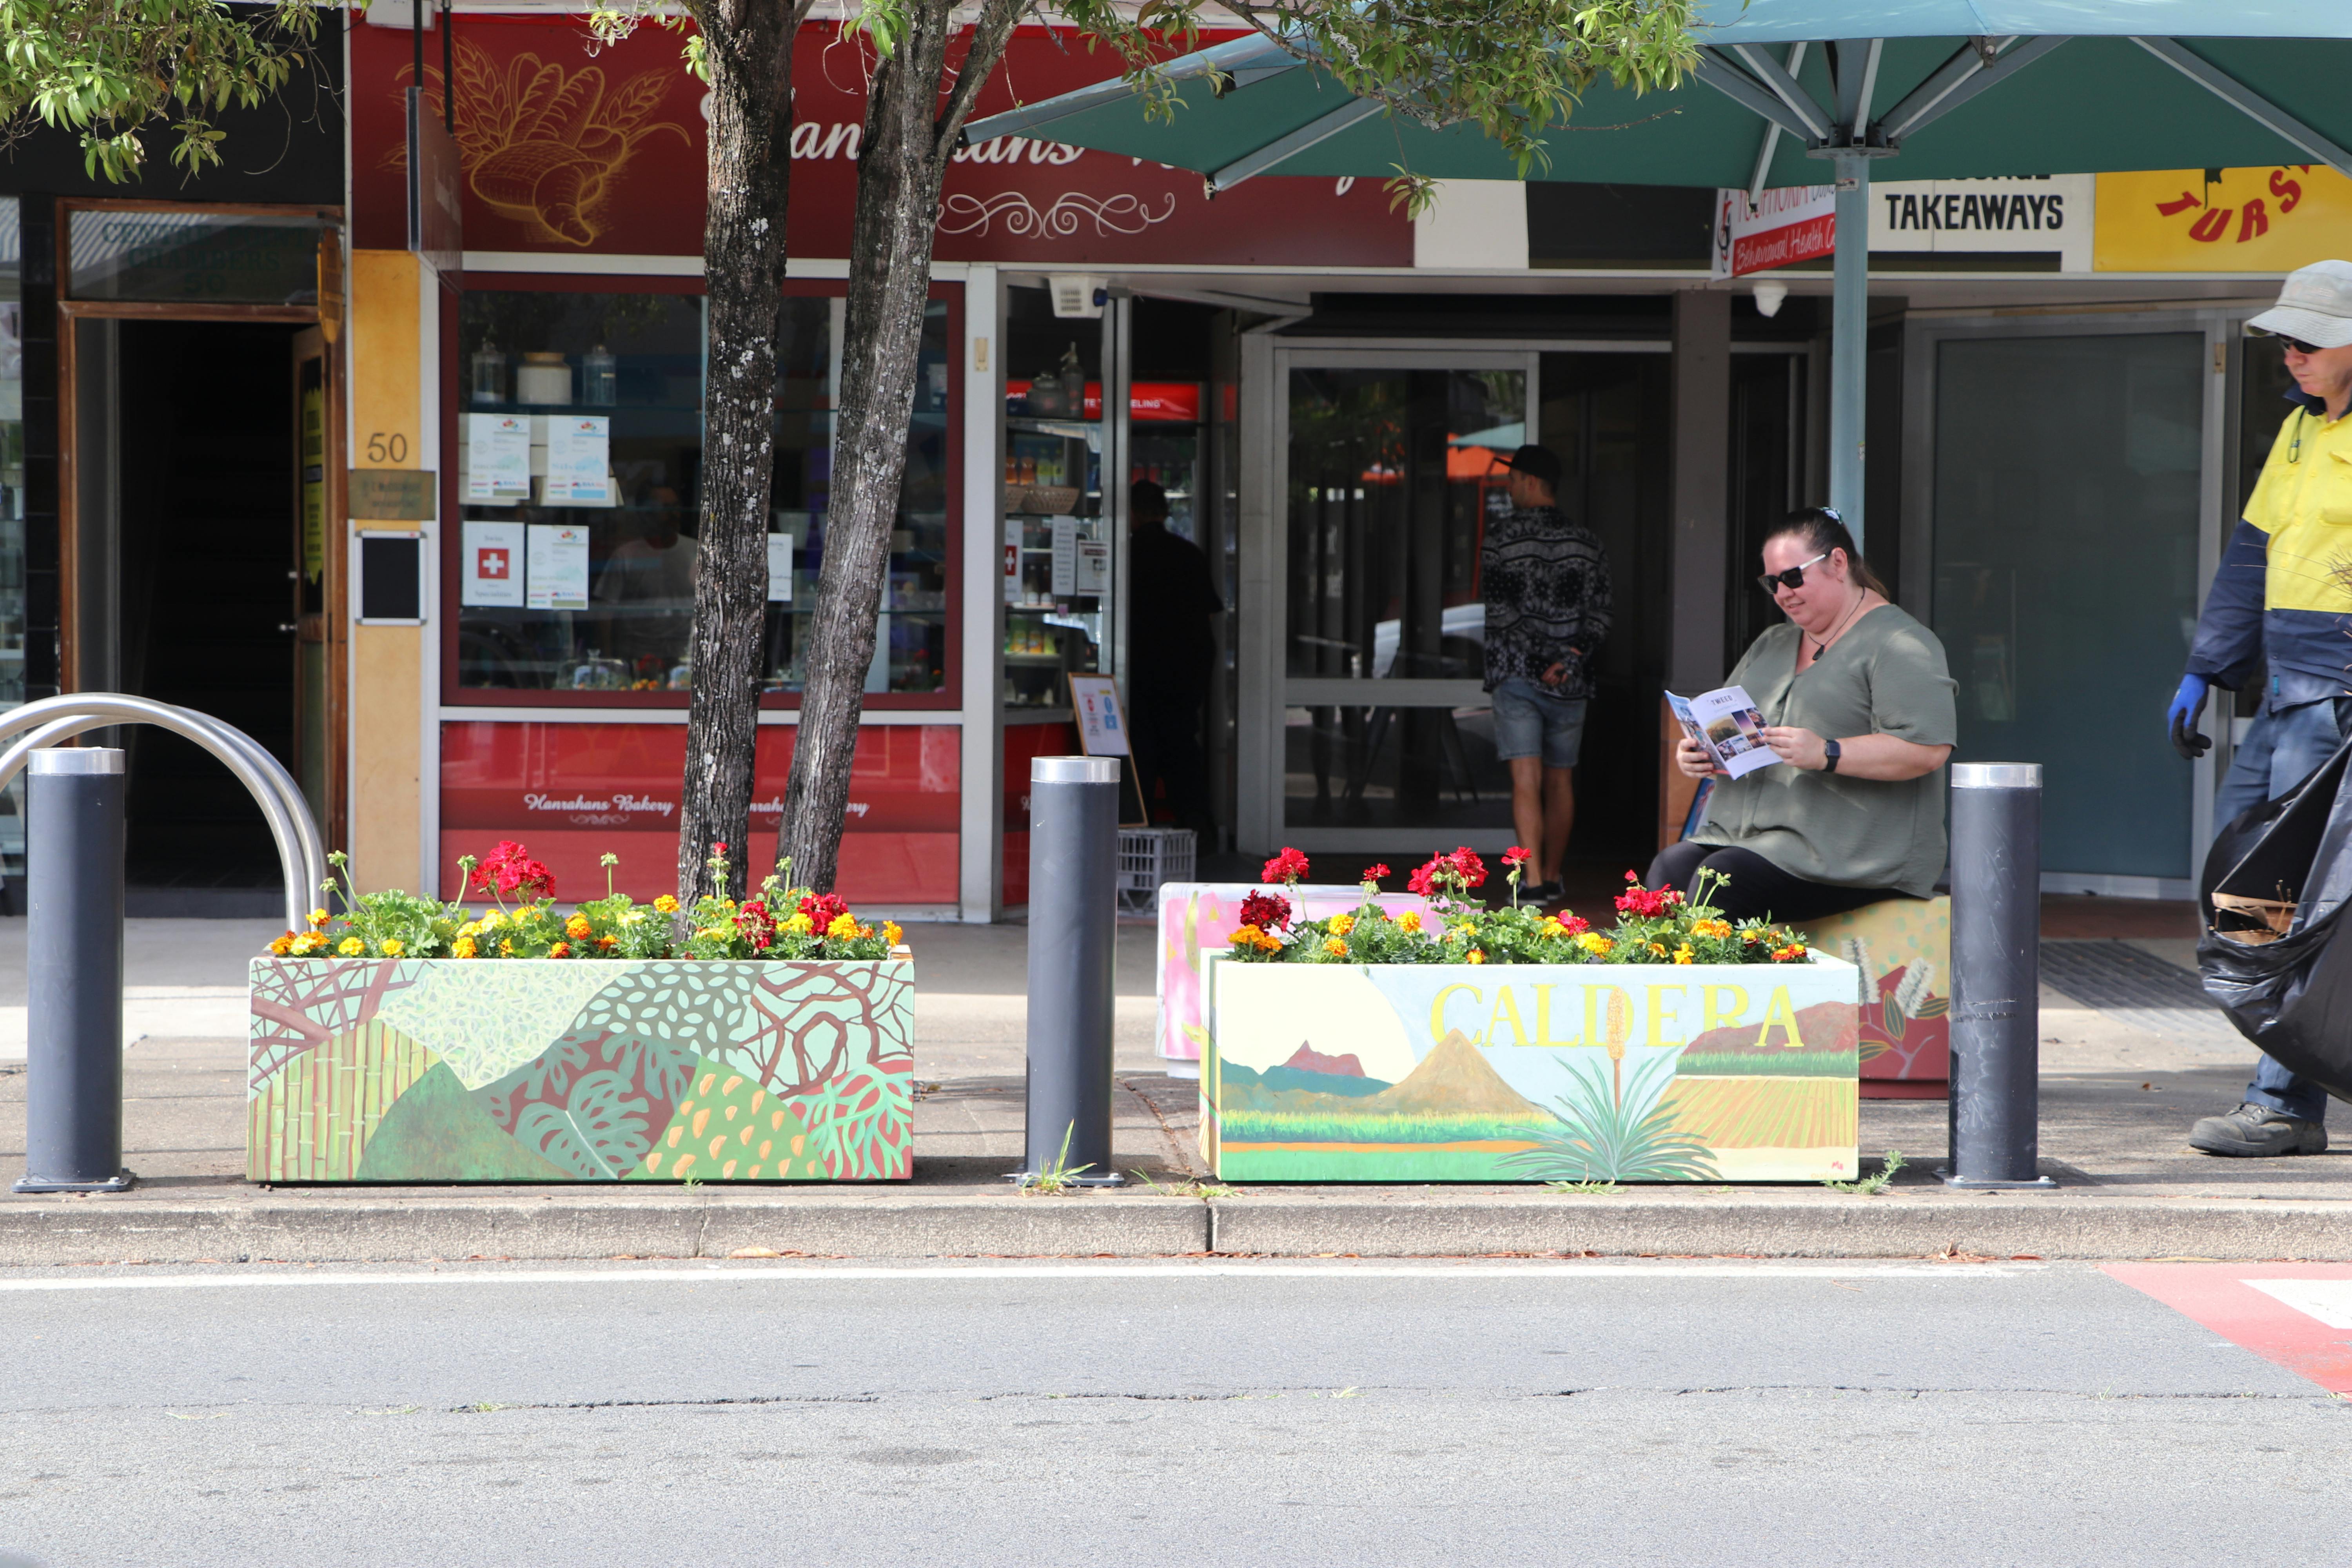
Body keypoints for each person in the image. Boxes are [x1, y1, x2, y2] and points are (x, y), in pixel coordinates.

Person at [2171, 261, 2352, 1158]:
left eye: (2311, 339)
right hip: (2285, 694)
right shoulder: (2297, 429)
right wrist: (2206, 668)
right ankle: (2283, 1081)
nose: (2292, 352)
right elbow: (2252, 555)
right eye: (2286, 338)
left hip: (2337, 699)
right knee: (2243, 887)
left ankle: (2281, 1100)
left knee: (2287, 898)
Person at [1650, 507, 1956, 923]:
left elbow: (1927, 749)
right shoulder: (1773, 641)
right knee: (1669, 871)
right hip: (1749, 839)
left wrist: (1827, 752)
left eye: (1793, 577)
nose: (1782, 593)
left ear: (1838, 563)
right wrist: (1703, 753)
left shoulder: (1900, 642)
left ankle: (1710, 968)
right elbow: (1730, 727)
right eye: (1772, 582)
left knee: (1723, 880)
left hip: (1846, 855)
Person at [1482, 444, 1611, 905]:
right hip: (1570, 683)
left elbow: (1500, 612)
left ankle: (1532, 881)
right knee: (1561, 780)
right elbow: (1602, 615)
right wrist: (1568, 660)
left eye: (1513, 479)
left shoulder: (1500, 539)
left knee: (1526, 780)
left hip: (1517, 676)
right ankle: (1554, 876)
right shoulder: (1588, 543)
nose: (1509, 487)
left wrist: (1538, 661)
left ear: (1531, 482)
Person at [1124, 479, 1223, 839]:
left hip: (1140, 667)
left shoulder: (1127, 555)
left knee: (1141, 749)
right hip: (1185, 669)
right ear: (1164, 512)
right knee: (1181, 747)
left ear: (1131, 513)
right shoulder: (1189, 553)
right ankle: (1196, 829)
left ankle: (1139, 830)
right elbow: (1208, 614)